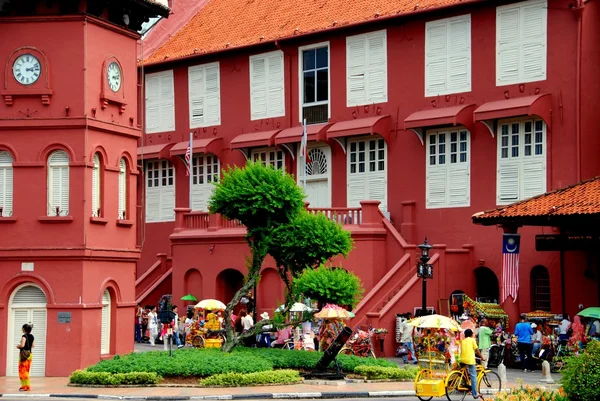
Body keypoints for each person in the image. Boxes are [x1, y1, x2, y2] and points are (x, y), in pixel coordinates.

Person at [461, 329, 485, 400]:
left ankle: (467, 386)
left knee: (466, 374)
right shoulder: (472, 340)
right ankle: (475, 394)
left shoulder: (463, 341)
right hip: (470, 360)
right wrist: (482, 357)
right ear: (471, 334)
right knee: (473, 376)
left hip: (462, 359)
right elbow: (477, 350)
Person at [16, 323, 34, 392]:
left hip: (23, 355)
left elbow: (22, 345)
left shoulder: (24, 336)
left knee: (22, 371)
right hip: (29, 355)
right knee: (26, 370)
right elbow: (33, 345)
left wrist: (18, 346)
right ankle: (24, 386)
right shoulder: (32, 336)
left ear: (24, 329)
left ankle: (26, 386)